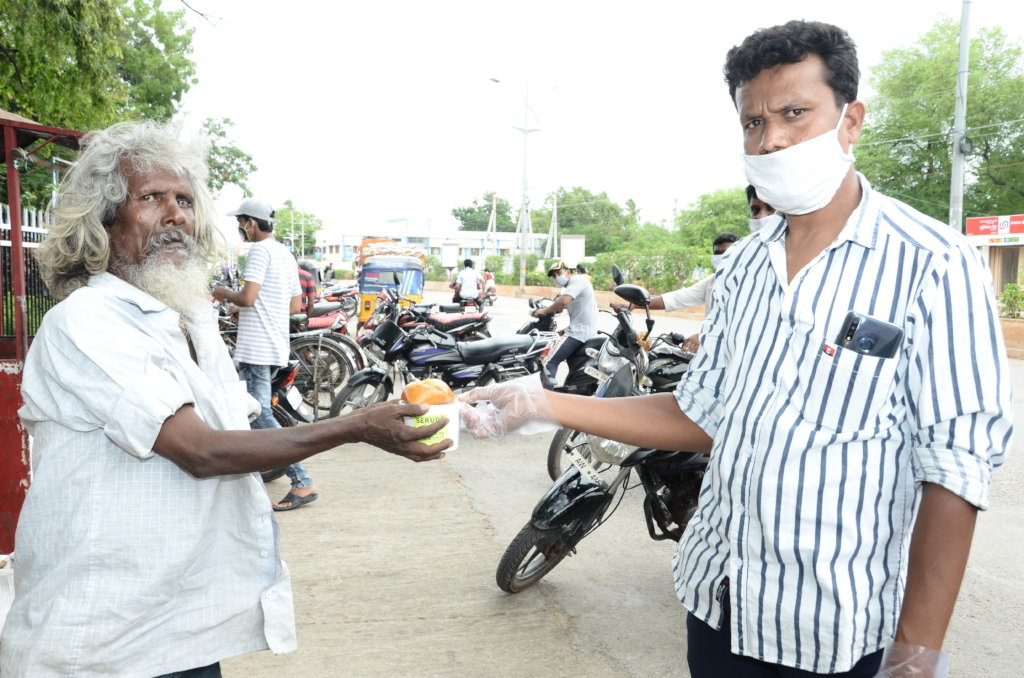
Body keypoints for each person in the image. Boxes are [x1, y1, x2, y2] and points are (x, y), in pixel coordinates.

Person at [461, 20, 1012, 678]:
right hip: (716, 600)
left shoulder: (935, 263)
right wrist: (539, 402)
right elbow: (701, 414)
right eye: (754, 122)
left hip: (834, 629)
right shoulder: (744, 268)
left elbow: (954, 468)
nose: (772, 139)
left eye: (795, 113)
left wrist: (916, 658)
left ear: (851, 120)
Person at [0, 120, 450, 677]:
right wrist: (356, 426)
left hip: (180, 627)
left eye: (185, 201)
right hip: (102, 639)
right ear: (104, 220)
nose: (175, 216)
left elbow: (236, 435)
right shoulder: (86, 321)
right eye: (151, 198)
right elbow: (201, 451)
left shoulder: (191, 319)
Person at [213, 199, 319, 512]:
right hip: (274, 343)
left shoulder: (259, 251)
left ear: (251, 222)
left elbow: (248, 297)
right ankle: (247, 475)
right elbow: (294, 306)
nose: (240, 228)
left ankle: (302, 480)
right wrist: (248, 309)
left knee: (258, 415)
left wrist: (223, 293)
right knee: (245, 413)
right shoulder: (284, 253)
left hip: (256, 348)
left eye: (241, 222)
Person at [611, 232, 740, 353]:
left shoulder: (746, 285)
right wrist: (633, 305)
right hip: (713, 351)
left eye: (726, 252)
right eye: (717, 253)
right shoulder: (712, 282)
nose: (722, 257)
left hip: (738, 354)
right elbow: (677, 298)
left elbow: (738, 321)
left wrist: (702, 336)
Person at [531, 260, 599, 381]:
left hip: (579, 333)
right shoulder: (569, 288)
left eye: (558, 273)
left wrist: (544, 311)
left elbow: (563, 301)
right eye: (554, 276)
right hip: (583, 330)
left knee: (548, 362)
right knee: (556, 338)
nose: (556, 277)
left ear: (568, 272)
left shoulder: (577, 280)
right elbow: (560, 303)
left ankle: (547, 392)